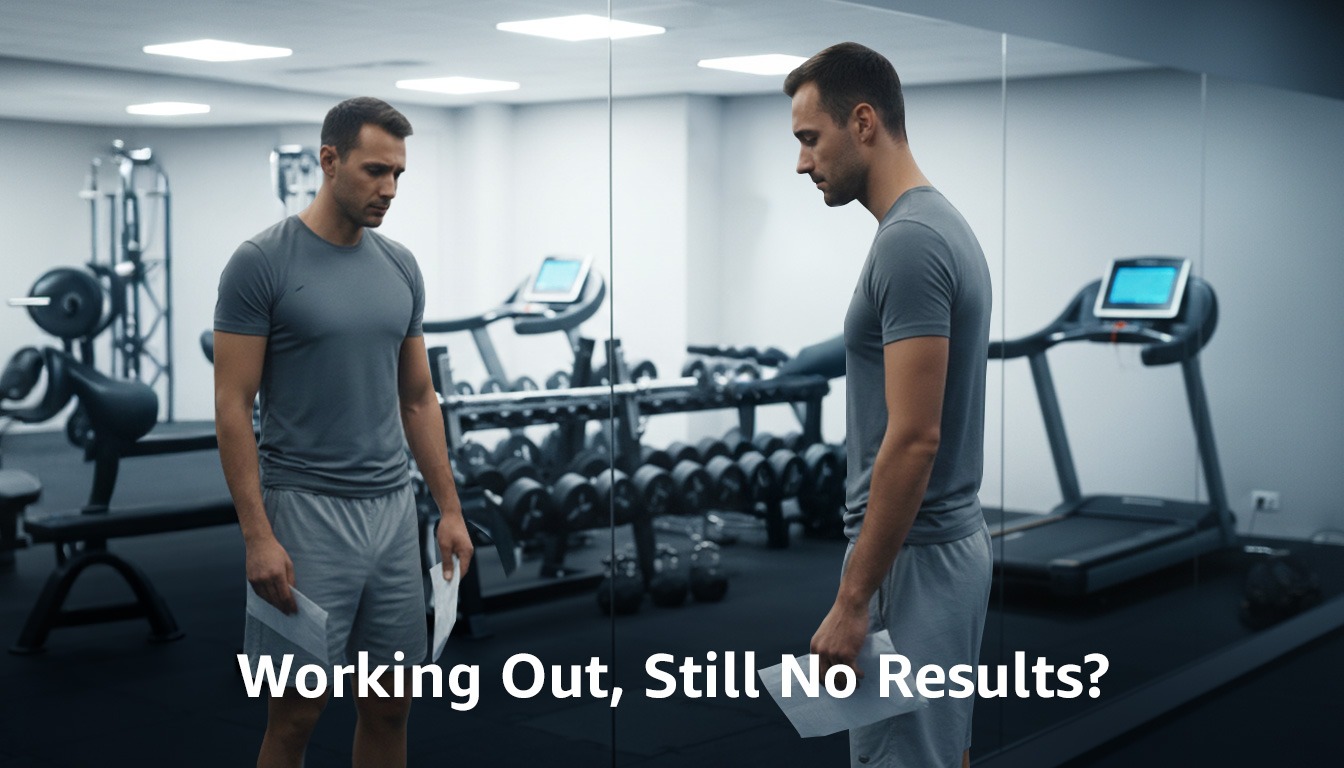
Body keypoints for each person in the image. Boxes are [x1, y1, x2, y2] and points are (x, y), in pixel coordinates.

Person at [214, 96, 473, 768]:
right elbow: (232, 404)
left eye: (398, 175)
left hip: (391, 512)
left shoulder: (400, 266)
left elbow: (417, 398)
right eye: (374, 171)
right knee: (296, 715)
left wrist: (448, 508)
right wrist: (257, 536)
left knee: (390, 704)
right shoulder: (260, 262)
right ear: (329, 161)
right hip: (304, 511)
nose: (388, 189)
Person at [785, 43, 993, 768]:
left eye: (810, 139)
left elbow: (914, 439)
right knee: (939, 753)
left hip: (916, 560)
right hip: (938, 549)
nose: (803, 163)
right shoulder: (937, 224)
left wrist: (852, 600)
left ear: (863, 122)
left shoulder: (909, 241)